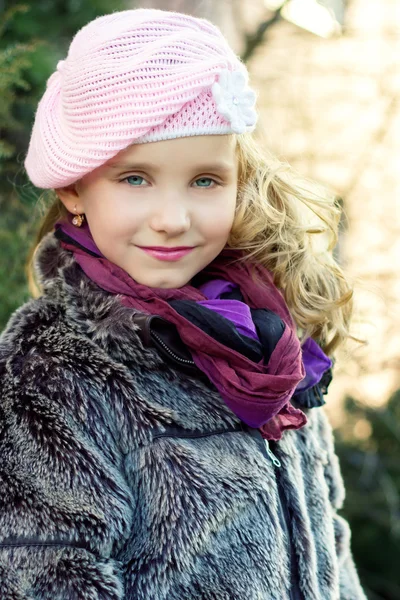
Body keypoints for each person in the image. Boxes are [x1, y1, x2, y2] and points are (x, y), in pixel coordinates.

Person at [0, 8, 366, 600]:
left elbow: (330, 538)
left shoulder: (269, 340)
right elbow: (45, 574)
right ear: (74, 186)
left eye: (205, 181)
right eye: (135, 179)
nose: (173, 220)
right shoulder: (51, 373)